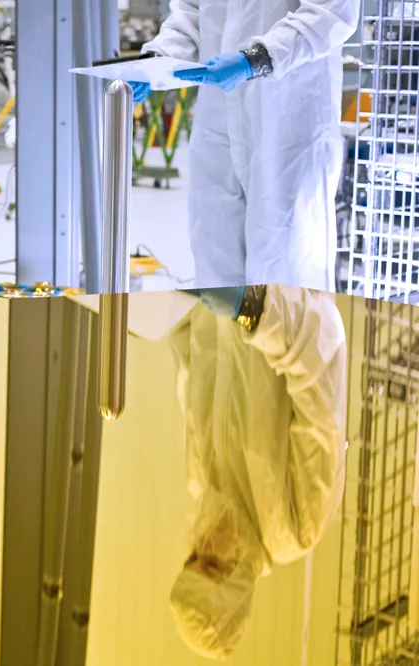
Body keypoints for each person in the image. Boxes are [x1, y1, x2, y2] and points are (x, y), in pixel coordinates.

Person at [166, 285, 347, 657]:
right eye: (212, 564)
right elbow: (321, 363)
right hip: (284, 267)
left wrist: (176, 290)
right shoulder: (296, 526)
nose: (202, 546)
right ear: (239, 586)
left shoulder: (201, 479)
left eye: (191, 558)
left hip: (212, 260)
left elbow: (187, 351)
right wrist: (254, 308)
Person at [132, 0, 359, 290]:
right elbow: (190, 13)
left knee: (285, 261)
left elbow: (331, 13)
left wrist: (258, 58)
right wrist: (157, 59)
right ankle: (223, 335)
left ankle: (280, 336)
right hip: (217, 121)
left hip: (288, 120)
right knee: (214, 253)